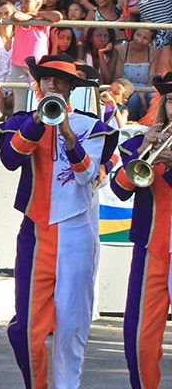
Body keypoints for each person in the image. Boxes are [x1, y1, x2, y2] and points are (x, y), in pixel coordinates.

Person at [0, 54, 118, 389]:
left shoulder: (91, 126)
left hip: (76, 231)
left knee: (71, 325)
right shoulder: (22, 120)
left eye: (59, 81)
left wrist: (66, 133)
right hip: (35, 232)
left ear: (70, 87)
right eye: (47, 79)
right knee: (25, 329)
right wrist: (39, 122)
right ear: (38, 85)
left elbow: (87, 176)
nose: (52, 85)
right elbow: (9, 159)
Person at [112, 73, 172, 389]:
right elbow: (119, 190)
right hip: (153, 249)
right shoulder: (142, 140)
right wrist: (139, 155)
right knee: (140, 341)